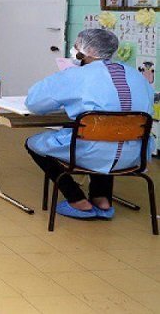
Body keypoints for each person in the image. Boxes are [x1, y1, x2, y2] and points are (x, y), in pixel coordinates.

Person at [25, 29, 154, 220]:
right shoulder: (137, 76)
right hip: (134, 155)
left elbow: (34, 103)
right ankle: (102, 199)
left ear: (88, 51)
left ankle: (77, 199)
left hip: (93, 152)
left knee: (34, 143)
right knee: (108, 136)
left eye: (77, 45)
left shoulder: (76, 75)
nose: (74, 49)